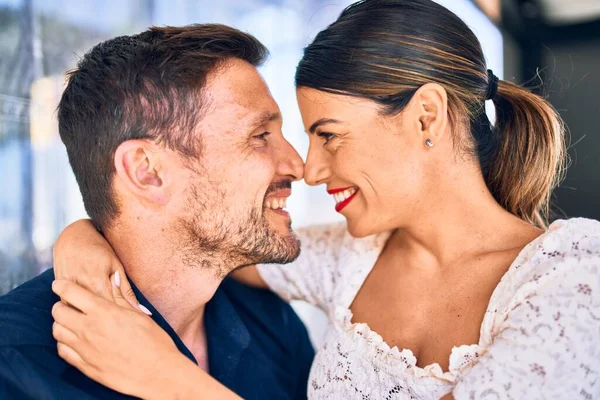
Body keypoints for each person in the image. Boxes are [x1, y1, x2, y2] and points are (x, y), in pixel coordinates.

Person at [53, 0, 600, 399]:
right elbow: (202, 234)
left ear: (426, 116)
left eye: (329, 135)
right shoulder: (348, 261)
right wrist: (81, 242)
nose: (311, 170)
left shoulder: (574, 274)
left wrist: (167, 379)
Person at [0, 24, 316, 400]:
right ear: (146, 171)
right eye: (260, 136)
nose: (298, 166)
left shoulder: (273, 324)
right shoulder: (15, 364)